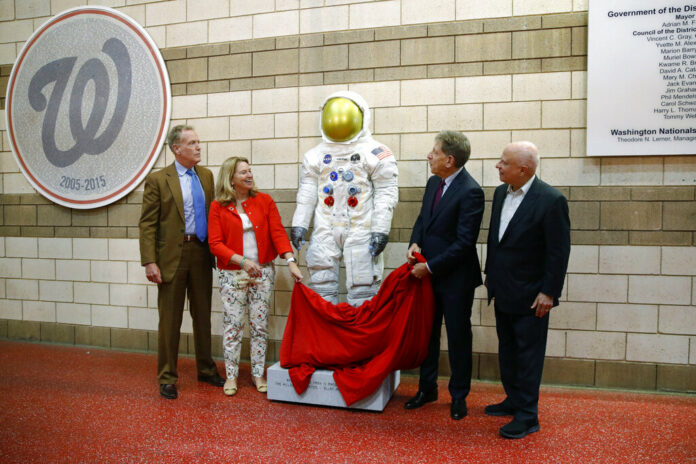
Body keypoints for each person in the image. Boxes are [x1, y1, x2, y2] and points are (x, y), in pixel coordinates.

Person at [484, 141, 570, 439]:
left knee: (528, 355)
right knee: (508, 351)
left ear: (524, 169)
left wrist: (549, 291)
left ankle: (527, 415)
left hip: (533, 296)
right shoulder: (499, 193)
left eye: (503, 162)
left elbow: (558, 252)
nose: (498, 166)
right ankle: (514, 399)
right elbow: (498, 239)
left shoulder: (551, 200)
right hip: (503, 289)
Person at [139, 125, 224, 400]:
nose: (198, 147)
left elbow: (215, 215)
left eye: (199, 142)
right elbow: (147, 224)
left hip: (201, 252)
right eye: (192, 143)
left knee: (202, 316)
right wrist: (150, 261)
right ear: (177, 149)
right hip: (170, 257)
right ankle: (167, 377)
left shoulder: (207, 176)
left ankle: (206, 368)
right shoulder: (158, 180)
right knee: (170, 320)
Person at [291, 91, 398, 306]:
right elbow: (307, 192)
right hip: (325, 227)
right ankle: (327, 337)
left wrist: (380, 229)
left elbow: (386, 192)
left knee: (363, 290)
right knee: (322, 289)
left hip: (362, 228)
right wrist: (299, 224)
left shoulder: (375, 152)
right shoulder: (316, 155)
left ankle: (361, 337)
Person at [405, 130, 484, 421]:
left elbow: (464, 243)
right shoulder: (432, 183)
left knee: (458, 337)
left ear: (449, 159)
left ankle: (459, 396)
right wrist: (415, 241)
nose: (429, 156)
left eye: (434, 152)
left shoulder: (471, 191)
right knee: (428, 334)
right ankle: (427, 389)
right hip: (427, 275)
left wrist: (431, 266)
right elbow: (422, 219)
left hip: (455, 279)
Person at [208, 157, 303, 396]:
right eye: (243, 172)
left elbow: (278, 232)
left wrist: (290, 261)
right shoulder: (218, 207)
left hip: (263, 272)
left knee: (259, 326)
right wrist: (243, 262)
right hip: (232, 274)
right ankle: (231, 376)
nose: (249, 175)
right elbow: (215, 244)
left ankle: (258, 373)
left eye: (250, 170)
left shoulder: (264, 201)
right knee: (233, 324)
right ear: (231, 179)